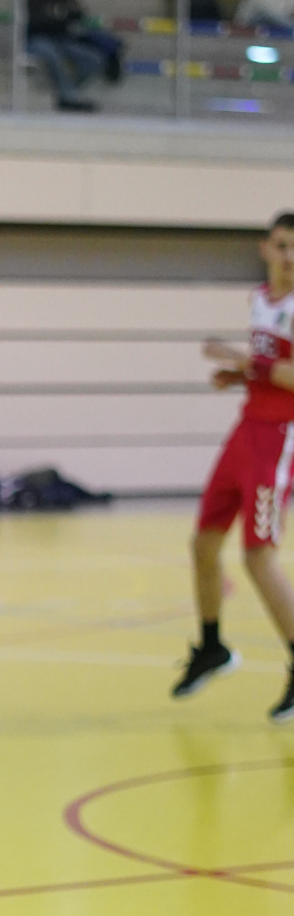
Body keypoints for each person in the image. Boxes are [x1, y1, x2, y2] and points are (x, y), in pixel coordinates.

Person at [172, 211, 294, 723]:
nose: (289, 257)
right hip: (246, 431)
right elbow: (269, 371)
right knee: (203, 542)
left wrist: (246, 363)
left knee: (258, 555)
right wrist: (239, 377)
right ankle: (212, 646)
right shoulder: (260, 298)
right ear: (265, 248)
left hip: (278, 437)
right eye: (282, 246)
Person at [25, 0, 106, 112]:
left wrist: (57, 14)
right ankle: (68, 96)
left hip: (61, 38)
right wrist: (60, 14)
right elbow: (36, 17)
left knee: (93, 59)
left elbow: (78, 12)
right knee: (52, 55)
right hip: (38, 37)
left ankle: (67, 93)